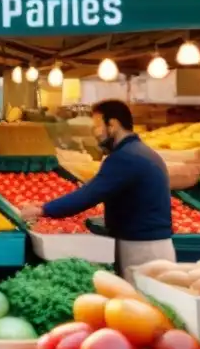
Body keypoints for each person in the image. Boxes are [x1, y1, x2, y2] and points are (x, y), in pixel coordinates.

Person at [19, 99, 174, 280]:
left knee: (143, 302)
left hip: (142, 249)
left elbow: (89, 195)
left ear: (113, 125)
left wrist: (43, 210)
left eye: (97, 126)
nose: (95, 133)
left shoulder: (125, 158)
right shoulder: (143, 152)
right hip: (150, 244)